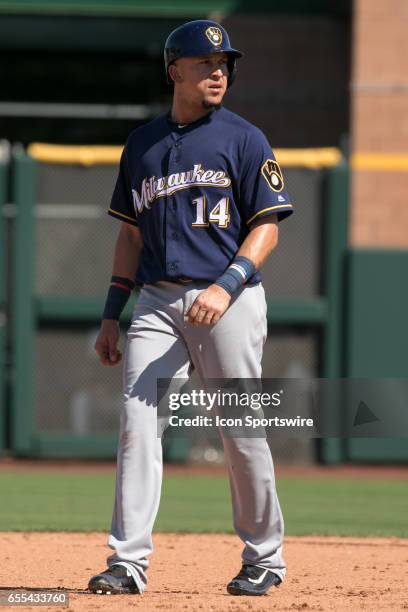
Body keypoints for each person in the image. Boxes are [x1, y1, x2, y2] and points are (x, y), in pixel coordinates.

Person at [88, 19, 294, 597]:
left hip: (226, 297)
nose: (218, 71)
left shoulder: (244, 138)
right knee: (136, 424)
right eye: (206, 63)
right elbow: (130, 236)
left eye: (225, 63)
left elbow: (268, 227)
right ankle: (127, 562)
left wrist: (227, 284)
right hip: (155, 300)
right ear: (175, 70)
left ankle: (265, 558)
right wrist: (112, 313)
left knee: (239, 429)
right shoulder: (143, 144)